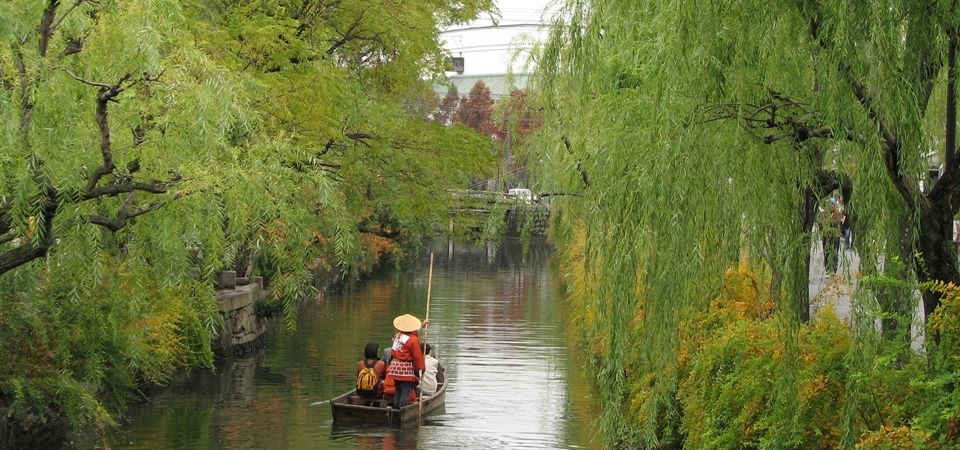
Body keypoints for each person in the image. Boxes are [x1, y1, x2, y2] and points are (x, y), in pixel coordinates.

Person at [388, 314, 426, 408]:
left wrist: (421, 326)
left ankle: (396, 407)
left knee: (398, 389)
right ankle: (402, 409)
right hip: (405, 368)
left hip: (395, 366)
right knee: (405, 391)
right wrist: (422, 367)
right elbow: (417, 356)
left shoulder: (397, 335)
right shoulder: (413, 340)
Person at [820, 198, 842, 275]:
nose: (830, 206)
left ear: (834, 205)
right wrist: (828, 221)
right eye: (828, 204)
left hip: (835, 235)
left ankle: (834, 270)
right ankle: (828, 270)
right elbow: (822, 222)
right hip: (826, 236)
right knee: (826, 253)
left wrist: (828, 220)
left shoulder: (838, 213)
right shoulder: (823, 213)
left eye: (831, 204)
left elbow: (837, 221)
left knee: (835, 253)